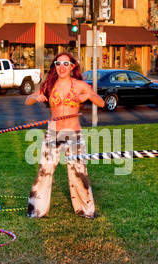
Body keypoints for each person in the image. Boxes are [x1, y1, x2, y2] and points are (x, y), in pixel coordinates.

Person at [25, 52, 104, 219]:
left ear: (72, 66)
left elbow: (101, 102)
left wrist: (88, 95)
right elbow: (27, 100)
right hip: (53, 132)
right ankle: (37, 210)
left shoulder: (79, 84)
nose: (62, 67)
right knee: (45, 170)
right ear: (55, 66)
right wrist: (35, 97)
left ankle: (86, 210)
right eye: (58, 64)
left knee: (78, 171)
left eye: (65, 64)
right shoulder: (49, 84)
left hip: (74, 133)